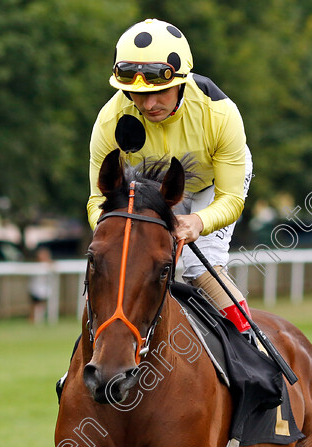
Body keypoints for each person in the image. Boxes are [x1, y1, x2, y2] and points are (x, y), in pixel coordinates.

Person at [88, 18, 257, 343]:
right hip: (155, 190)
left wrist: (197, 221)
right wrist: (114, 227)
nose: (148, 104)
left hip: (212, 185)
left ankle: (252, 348)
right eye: (135, 93)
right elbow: (97, 200)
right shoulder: (109, 121)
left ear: (180, 80)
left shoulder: (221, 114)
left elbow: (231, 199)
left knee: (198, 267)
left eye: (160, 92)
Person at [28, 246, 53, 324]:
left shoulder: (50, 265)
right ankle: (33, 320)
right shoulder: (36, 265)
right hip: (36, 288)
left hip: (45, 289)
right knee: (35, 304)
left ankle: (40, 319)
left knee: (42, 305)